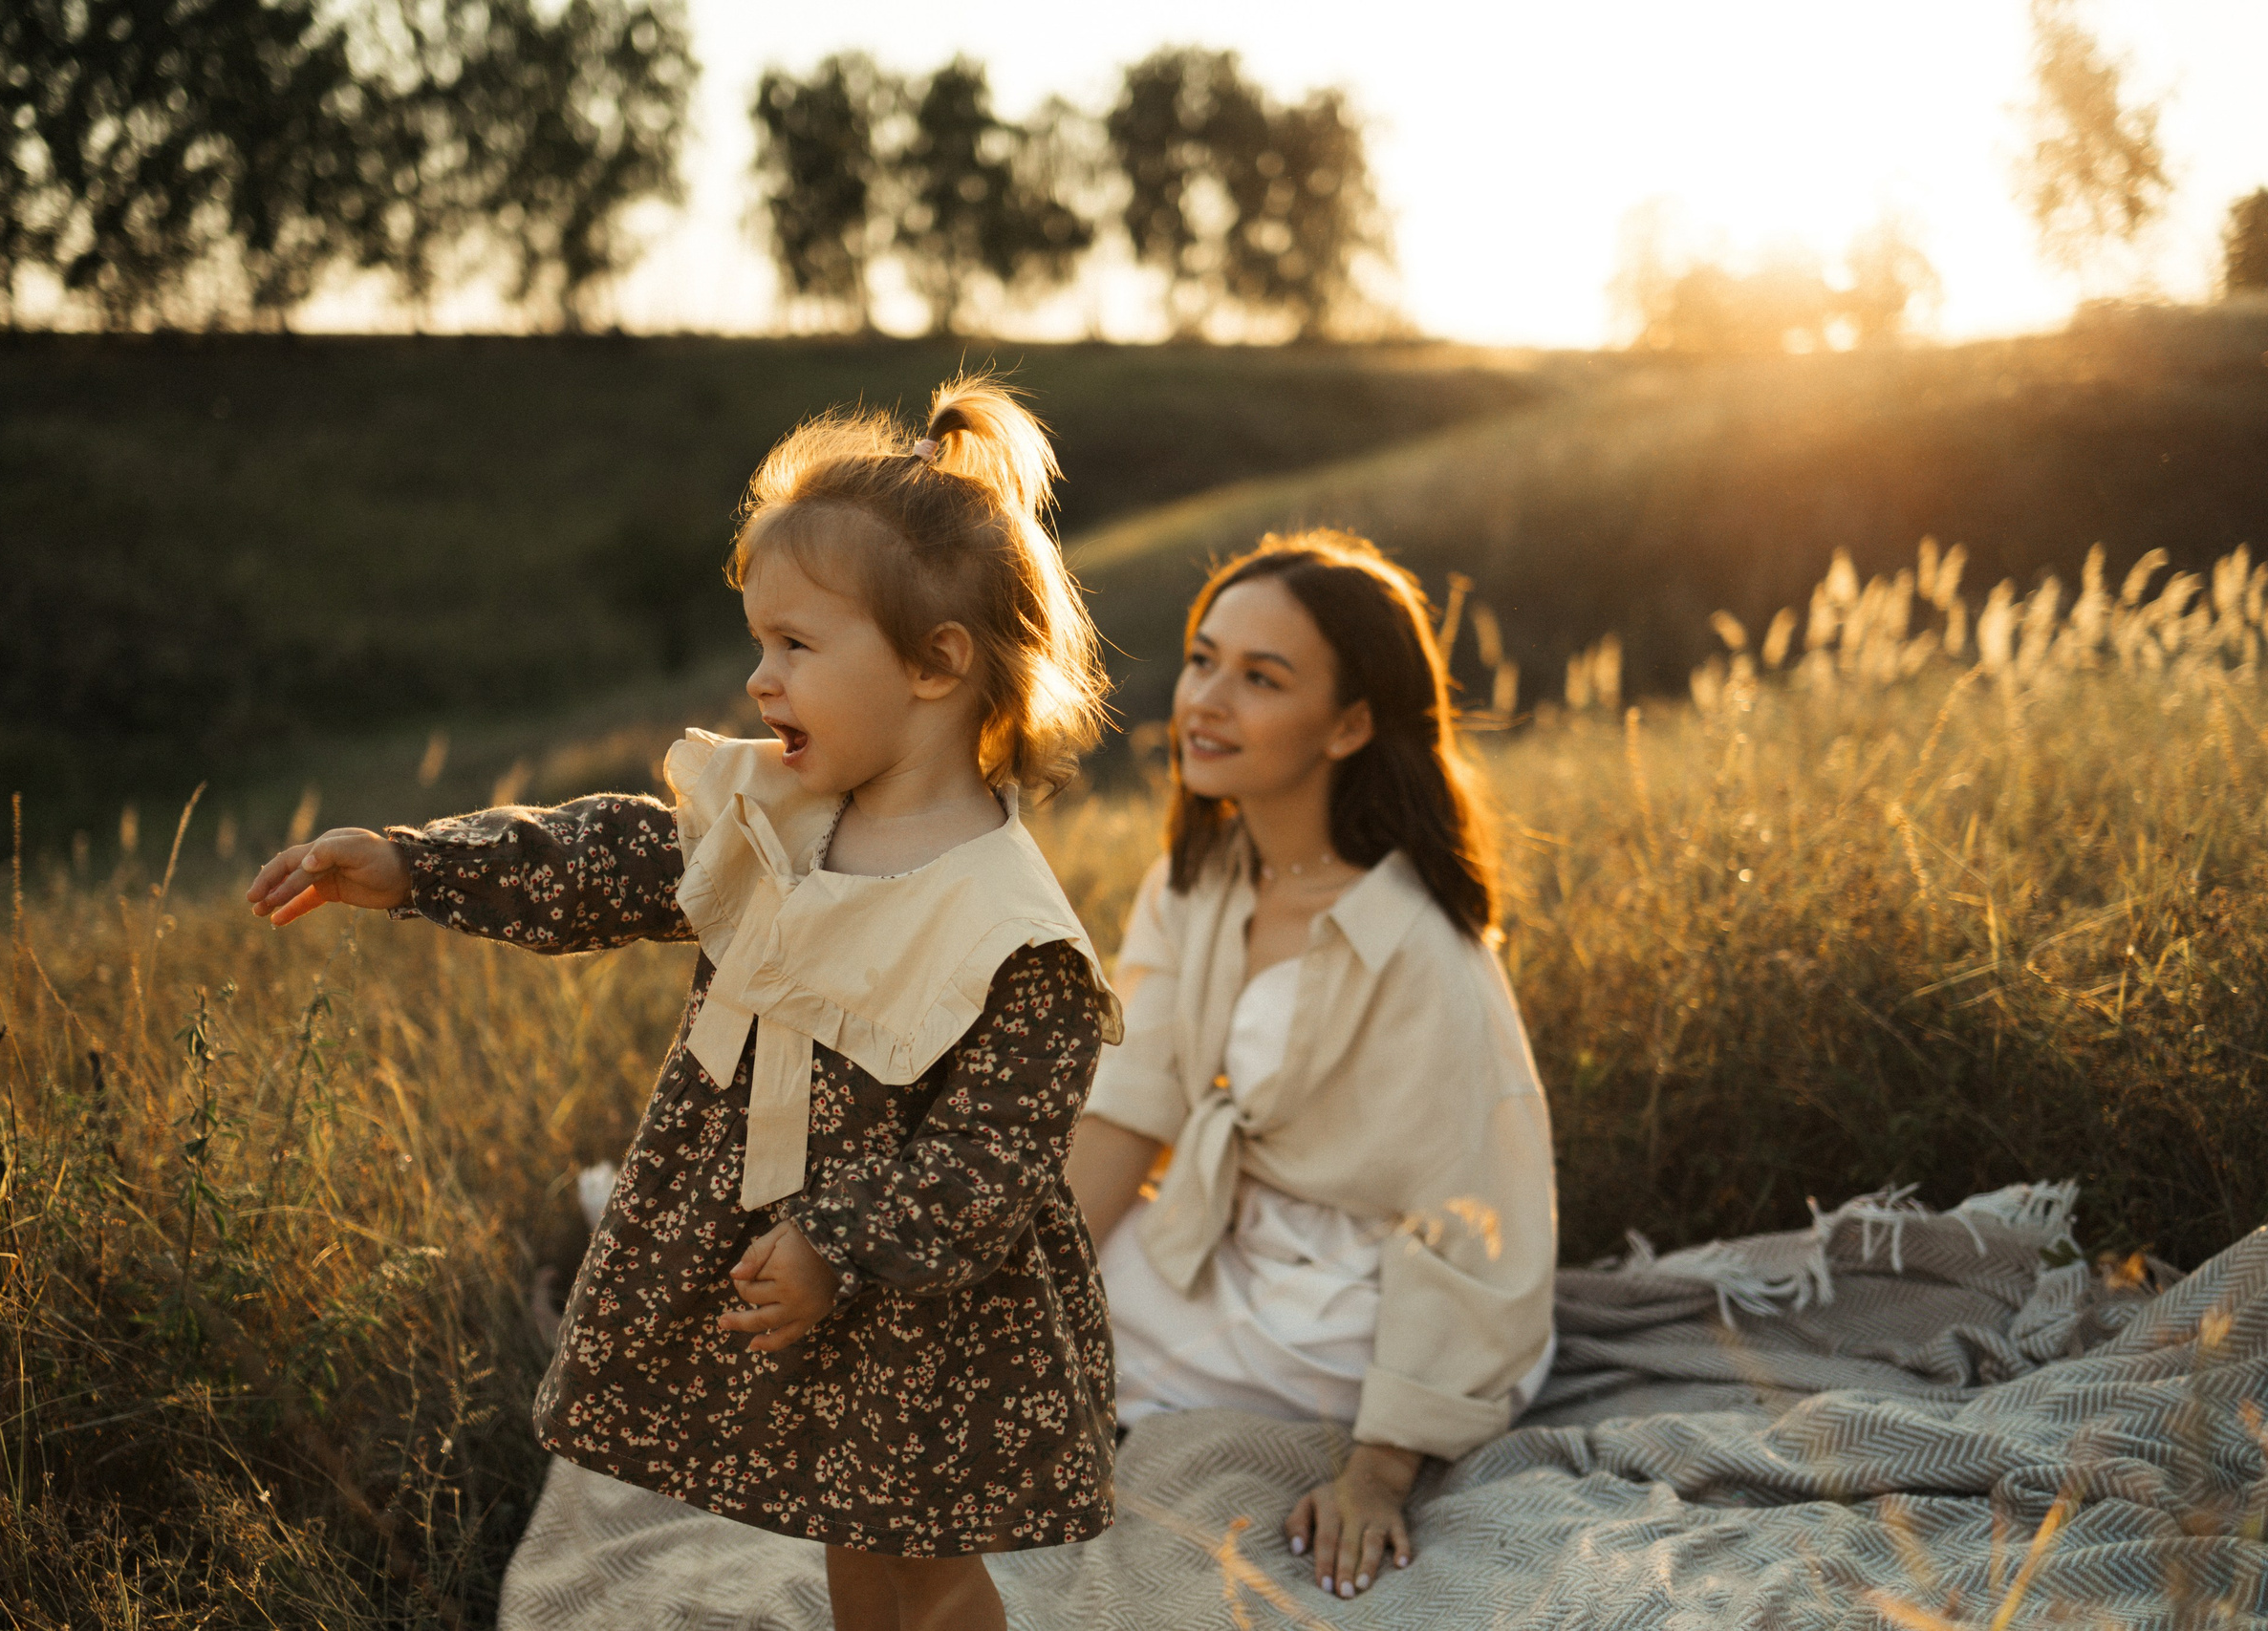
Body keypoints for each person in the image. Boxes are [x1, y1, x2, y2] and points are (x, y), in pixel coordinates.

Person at [248, 378, 1123, 1631]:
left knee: (920, 1559)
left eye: (799, 646)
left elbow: (990, 1158)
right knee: (842, 1521)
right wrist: (417, 863)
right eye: (759, 641)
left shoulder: (1010, 928)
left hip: (919, 1311)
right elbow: (610, 858)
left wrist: (838, 1241)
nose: (761, 681)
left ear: (938, 662)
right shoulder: (778, 811)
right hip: (791, 1273)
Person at [1065, 529, 1558, 1605]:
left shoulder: (1421, 948)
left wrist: (1380, 1471)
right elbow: (1125, 1111)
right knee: (986, 1315)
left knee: (1043, 1365)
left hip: (1351, 1303)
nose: (1206, 699)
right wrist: (1026, 1283)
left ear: (1348, 724)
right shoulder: (1194, 879)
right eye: (1203, 660)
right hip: (1221, 1234)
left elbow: (1473, 1212)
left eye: (1259, 678)